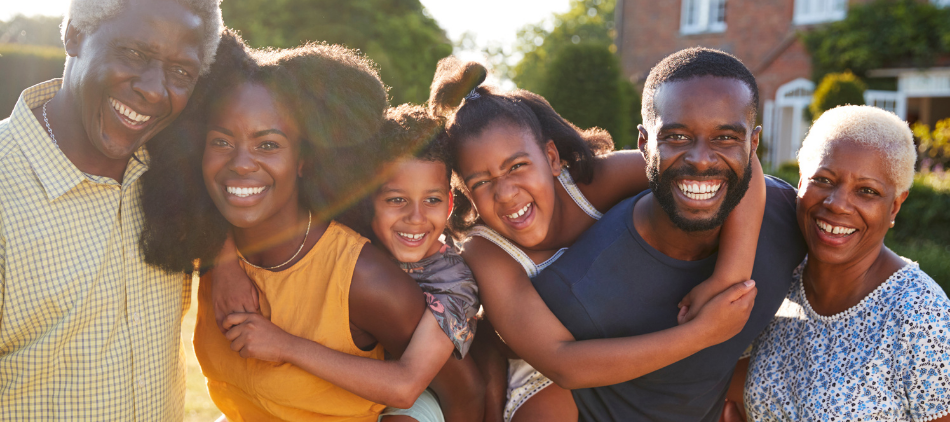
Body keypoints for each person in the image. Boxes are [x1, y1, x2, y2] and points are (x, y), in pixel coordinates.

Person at [141, 32, 479, 422]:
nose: (242, 163)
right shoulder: (202, 241)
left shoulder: (365, 280)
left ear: (304, 159)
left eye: (268, 144)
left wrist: (287, 345)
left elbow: (464, 394)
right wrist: (224, 259)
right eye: (221, 141)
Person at [424, 56, 768, 422]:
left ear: (552, 158)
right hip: (553, 371)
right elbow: (562, 362)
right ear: (465, 191)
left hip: (642, 328)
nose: (506, 193)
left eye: (517, 166)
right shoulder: (488, 251)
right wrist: (702, 332)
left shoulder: (593, 182)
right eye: (481, 181)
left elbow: (739, 164)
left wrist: (728, 279)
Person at [528, 47, 808, 421]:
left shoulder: (785, 218)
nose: (702, 159)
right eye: (676, 137)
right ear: (644, 144)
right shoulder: (576, 292)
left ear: (752, 145)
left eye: (725, 138)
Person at [0, 0, 222, 418]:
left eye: (181, 73)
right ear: (74, 35)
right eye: (134, 53)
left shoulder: (177, 178)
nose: (155, 90)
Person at [722, 106, 950, 422]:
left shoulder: (921, 317)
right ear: (801, 181)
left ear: (895, 205)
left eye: (867, 191)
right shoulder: (775, 278)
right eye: (824, 180)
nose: (838, 203)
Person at [337, 103, 485, 421]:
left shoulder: (454, 283)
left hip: (417, 395)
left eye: (431, 200)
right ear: (369, 201)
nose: (415, 218)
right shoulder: (352, 243)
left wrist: (283, 346)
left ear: (448, 206)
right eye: (396, 200)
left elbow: (406, 386)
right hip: (339, 380)